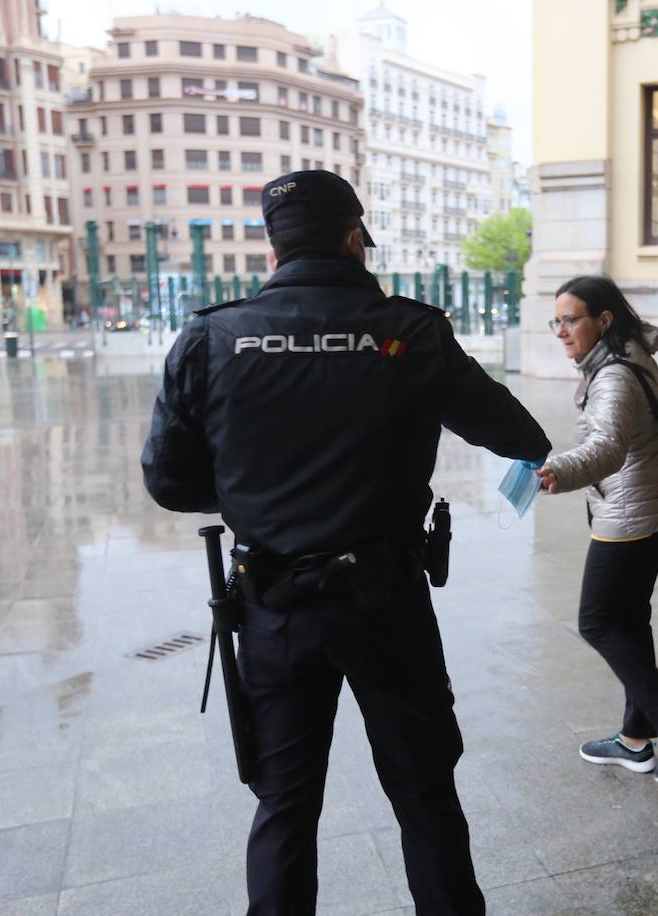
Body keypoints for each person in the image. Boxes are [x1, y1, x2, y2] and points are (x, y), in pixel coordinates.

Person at [141, 169, 551, 915]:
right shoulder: (413, 332)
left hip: (274, 610)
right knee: (425, 796)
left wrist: (253, 495)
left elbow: (169, 483)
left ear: (273, 249)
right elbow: (520, 436)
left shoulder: (210, 337)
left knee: (285, 806)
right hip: (387, 601)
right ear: (355, 237)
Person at [534, 275, 658, 784]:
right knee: (631, 621)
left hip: (631, 514)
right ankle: (636, 741)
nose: (562, 331)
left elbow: (607, 448)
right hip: (655, 501)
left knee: (598, 621)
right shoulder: (632, 356)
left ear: (604, 320)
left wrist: (557, 471)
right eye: (557, 321)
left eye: (571, 320)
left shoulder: (612, 376)